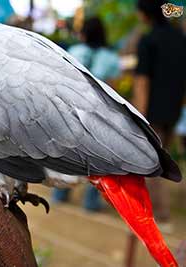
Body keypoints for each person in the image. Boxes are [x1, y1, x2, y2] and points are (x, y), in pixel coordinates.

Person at [52, 17, 121, 212]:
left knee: (67, 153)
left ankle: (60, 193)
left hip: (71, 112)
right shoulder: (111, 58)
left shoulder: (73, 52)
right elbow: (113, 90)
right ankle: (90, 202)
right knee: (99, 158)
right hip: (100, 114)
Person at [133, 0, 186, 229]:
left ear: (145, 14)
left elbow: (142, 81)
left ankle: (160, 216)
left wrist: (138, 116)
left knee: (152, 165)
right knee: (165, 161)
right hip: (174, 109)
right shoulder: (180, 38)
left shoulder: (148, 40)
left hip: (153, 111)